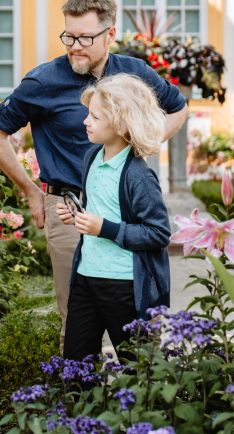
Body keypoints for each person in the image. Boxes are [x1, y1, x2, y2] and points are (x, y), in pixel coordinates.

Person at [0, 0, 188, 352]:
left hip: (130, 210)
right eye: (69, 36)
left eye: (85, 38)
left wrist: (144, 143)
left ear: (110, 34)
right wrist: (31, 190)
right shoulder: (42, 82)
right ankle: (79, 401)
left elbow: (178, 108)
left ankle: (143, 398)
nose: (75, 47)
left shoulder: (135, 72)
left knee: (138, 330)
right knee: (76, 326)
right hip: (68, 211)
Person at [55, 74, 171, 362]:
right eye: (88, 114)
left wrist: (103, 228)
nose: (86, 121)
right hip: (85, 277)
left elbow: (158, 233)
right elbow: (99, 206)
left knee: (138, 369)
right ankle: (82, 409)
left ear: (121, 124)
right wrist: (76, 214)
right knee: (76, 365)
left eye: (95, 116)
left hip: (123, 286)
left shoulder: (139, 176)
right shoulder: (92, 157)